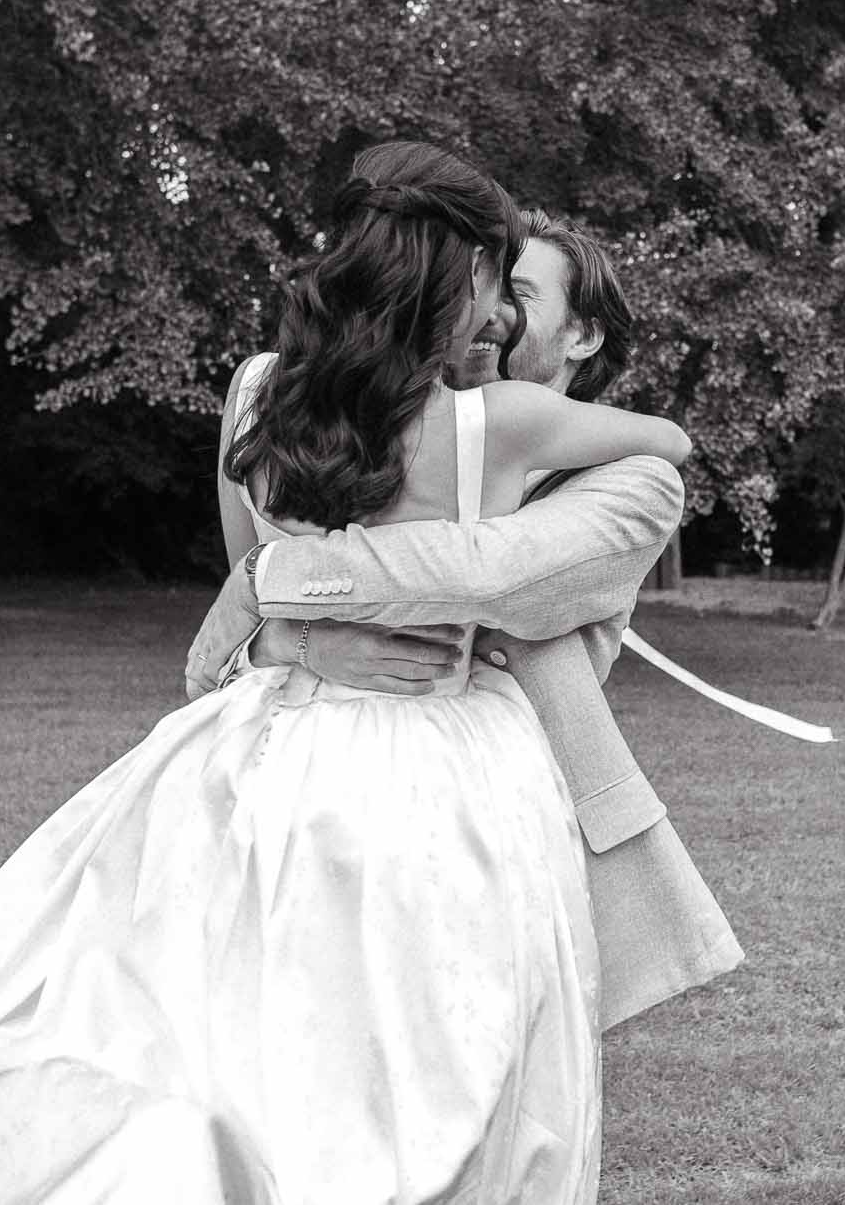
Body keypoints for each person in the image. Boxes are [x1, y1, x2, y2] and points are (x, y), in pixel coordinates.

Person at [0, 145, 693, 1205]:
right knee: (424, 1064)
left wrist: (280, 602)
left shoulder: (258, 390)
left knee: (188, 1030)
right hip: (436, 767)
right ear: (466, 273)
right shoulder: (498, 425)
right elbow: (661, 440)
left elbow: (243, 563)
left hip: (266, 745)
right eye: (495, 281)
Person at [184, 210, 744, 1033]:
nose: (490, 315)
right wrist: (283, 635)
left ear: (581, 337)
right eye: (480, 287)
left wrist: (270, 579)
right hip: (328, 816)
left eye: (517, 294)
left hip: (512, 836)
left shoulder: (635, 480)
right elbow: (249, 653)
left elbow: (483, 574)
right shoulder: (375, 439)